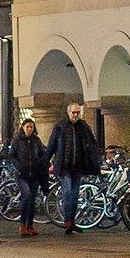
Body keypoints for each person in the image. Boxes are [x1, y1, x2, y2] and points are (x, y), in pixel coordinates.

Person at [50, 100, 106, 235]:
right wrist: (46, 162)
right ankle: (67, 221)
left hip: (78, 166)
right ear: (68, 112)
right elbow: (52, 145)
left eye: (77, 112)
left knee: (74, 195)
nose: (75, 115)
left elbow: (91, 144)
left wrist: (94, 160)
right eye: (73, 112)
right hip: (64, 166)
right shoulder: (61, 126)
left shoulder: (83, 126)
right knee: (67, 192)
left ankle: (71, 221)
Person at [7, 115, 53, 237]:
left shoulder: (36, 141)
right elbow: (12, 155)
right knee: (26, 196)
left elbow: (44, 152)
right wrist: (19, 166)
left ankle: (30, 225)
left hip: (34, 174)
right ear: (23, 127)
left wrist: (46, 161)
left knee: (32, 199)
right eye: (27, 127)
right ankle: (22, 224)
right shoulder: (17, 140)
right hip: (22, 174)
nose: (29, 129)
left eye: (31, 127)